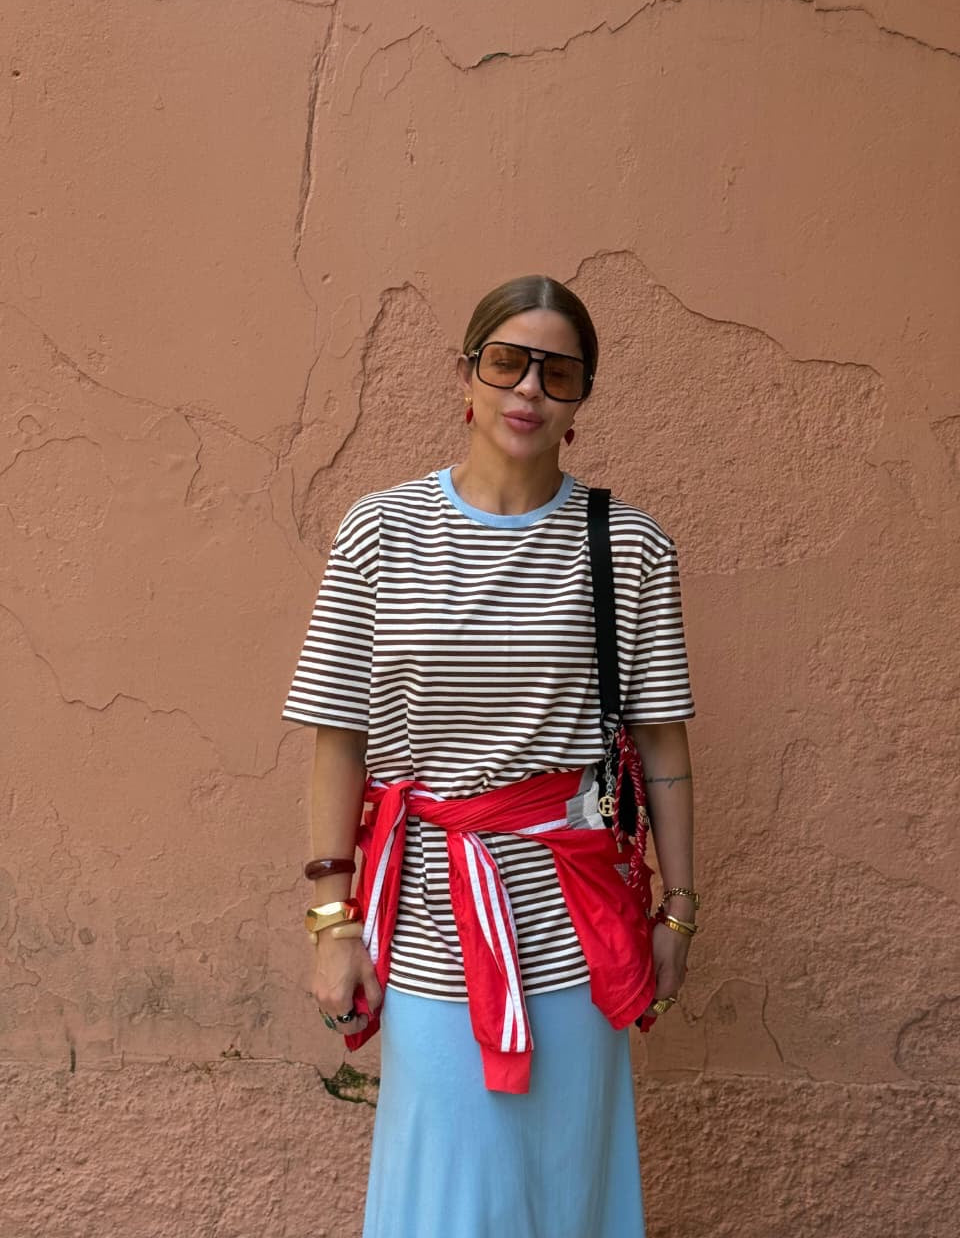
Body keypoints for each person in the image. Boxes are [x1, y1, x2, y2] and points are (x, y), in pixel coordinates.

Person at [281, 275, 698, 1238]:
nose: (530, 390)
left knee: (565, 1189)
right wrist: (331, 925)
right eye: (508, 362)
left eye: (558, 373)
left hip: (578, 929)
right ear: (466, 376)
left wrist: (679, 909)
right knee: (447, 1192)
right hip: (428, 922)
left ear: (581, 398)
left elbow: (663, 747)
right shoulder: (379, 530)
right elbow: (338, 736)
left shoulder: (630, 547)